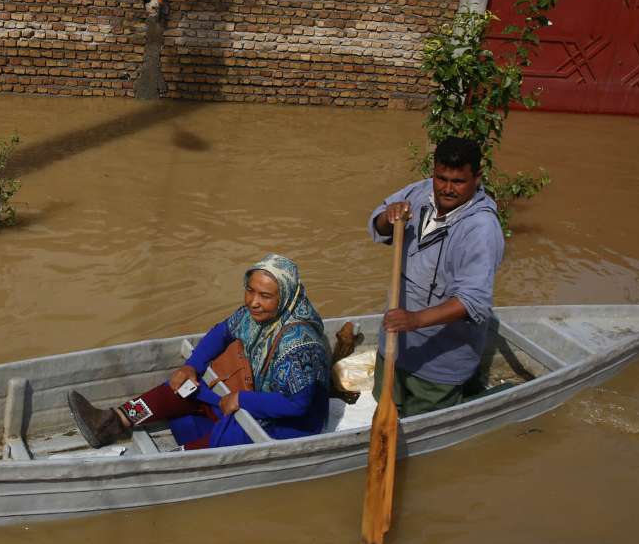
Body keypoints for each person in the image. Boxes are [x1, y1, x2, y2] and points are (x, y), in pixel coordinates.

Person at [68, 254, 332, 450]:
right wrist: (191, 366)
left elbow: (298, 405)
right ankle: (114, 421)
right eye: (250, 290)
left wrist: (242, 400)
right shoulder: (252, 317)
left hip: (293, 422)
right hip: (256, 394)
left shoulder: (300, 344)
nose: (254, 302)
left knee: (232, 434)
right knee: (183, 385)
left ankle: (178, 459)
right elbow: (222, 332)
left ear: (285, 296)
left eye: (265, 296)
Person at [368, 136, 504, 417]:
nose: (447, 189)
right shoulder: (419, 194)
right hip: (394, 345)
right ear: (433, 171)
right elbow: (379, 222)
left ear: (477, 177)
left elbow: (473, 302)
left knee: (423, 429)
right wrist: (387, 216)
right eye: (441, 178)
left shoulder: (481, 229)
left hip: (439, 362)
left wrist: (415, 320)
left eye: (458, 182)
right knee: (384, 411)